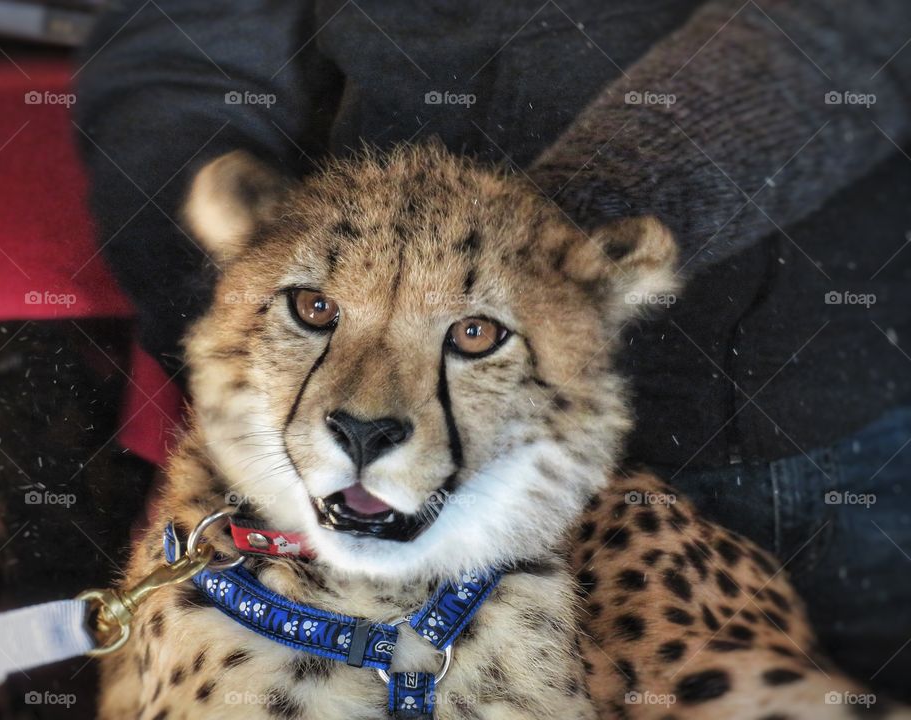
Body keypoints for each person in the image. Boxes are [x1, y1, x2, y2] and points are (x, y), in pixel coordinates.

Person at [74, 0, 911, 699]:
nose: (368, 408)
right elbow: (182, 45)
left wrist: (536, 266)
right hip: (306, 496)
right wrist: (252, 309)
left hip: (807, 427)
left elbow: (857, 23)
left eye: (473, 333)